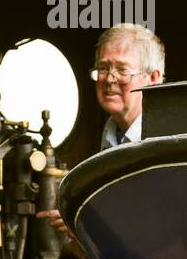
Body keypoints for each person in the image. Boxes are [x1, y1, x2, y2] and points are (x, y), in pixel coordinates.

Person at [38, 23, 165, 242]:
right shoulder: (109, 135)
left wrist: (88, 229)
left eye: (122, 69)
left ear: (153, 78)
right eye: (103, 68)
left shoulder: (168, 138)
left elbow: (164, 228)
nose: (109, 78)